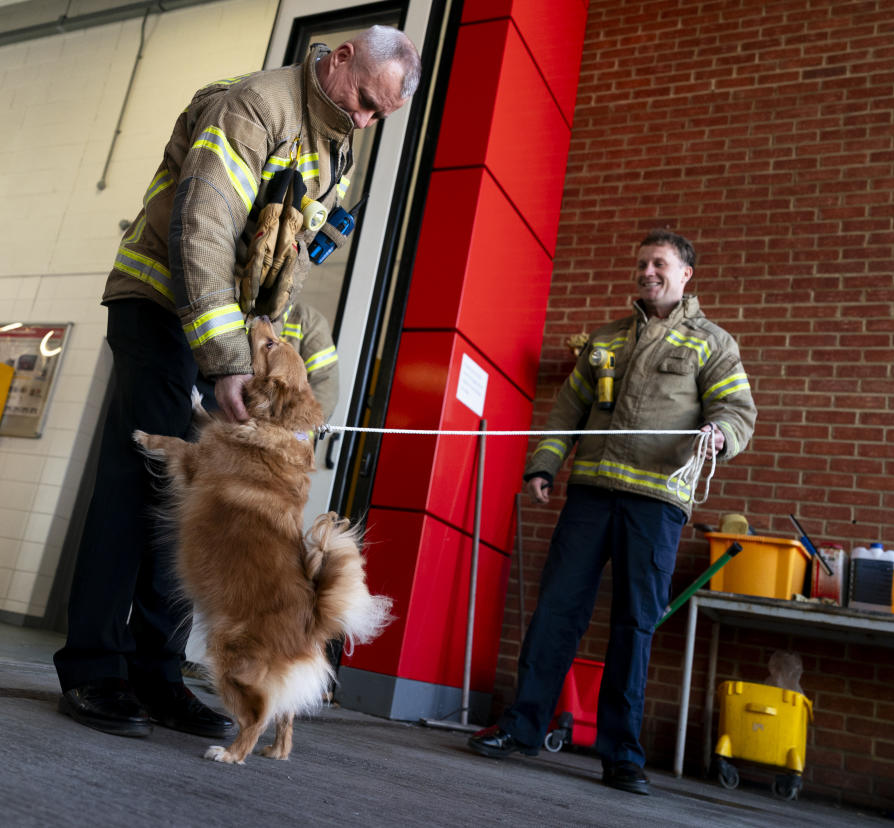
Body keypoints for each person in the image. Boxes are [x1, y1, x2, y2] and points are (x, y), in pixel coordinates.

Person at [54, 26, 421, 739]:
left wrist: (258, 348)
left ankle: (157, 678)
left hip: (217, 323)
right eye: (367, 102)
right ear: (341, 57)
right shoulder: (254, 106)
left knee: (199, 501)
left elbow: (290, 258)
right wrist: (226, 360)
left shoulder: (334, 143)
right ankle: (96, 669)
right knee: (139, 481)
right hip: (160, 301)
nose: (367, 122)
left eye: (380, 116)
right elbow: (204, 227)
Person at [466, 229, 757, 795]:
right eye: (643, 263)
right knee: (556, 611)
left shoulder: (713, 344)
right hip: (592, 495)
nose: (648, 272)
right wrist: (543, 466)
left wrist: (719, 435)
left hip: (657, 504)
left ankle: (622, 755)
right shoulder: (605, 341)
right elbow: (567, 411)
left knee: (635, 624)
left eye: (660, 264)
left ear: (686, 274)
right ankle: (523, 727)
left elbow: (737, 409)